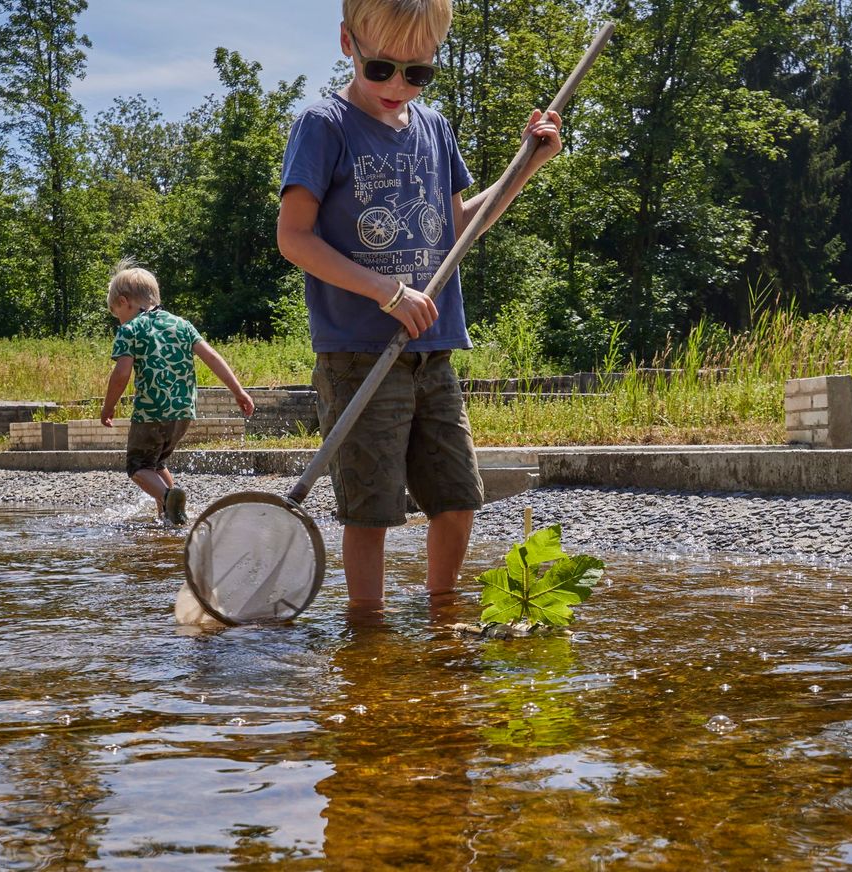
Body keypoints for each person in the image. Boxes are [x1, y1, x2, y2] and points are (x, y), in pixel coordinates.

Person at [276, 0, 563, 610]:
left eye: (417, 73)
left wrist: (526, 167)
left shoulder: (434, 129)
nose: (397, 86)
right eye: (381, 69)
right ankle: (368, 632)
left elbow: (459, 224)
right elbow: (293, 237)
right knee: (372, 511)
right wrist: (385, 291)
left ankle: (441, 616)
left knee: (459, 500)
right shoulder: (323, 125)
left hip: (433, 350)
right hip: (358, 354)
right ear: (347, 44)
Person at [99, 260, 255, 524]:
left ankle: (169, 497)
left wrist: (108, 406)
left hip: (151, 411)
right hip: (183, 413)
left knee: (138, 466)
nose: (119, 319)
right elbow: (212, 356)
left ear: (125, 302)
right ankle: (170, 515)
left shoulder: (130, 330)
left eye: (117, 313)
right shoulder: (182, 324)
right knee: (157, 463)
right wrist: (238, 391)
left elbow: (122, 373)